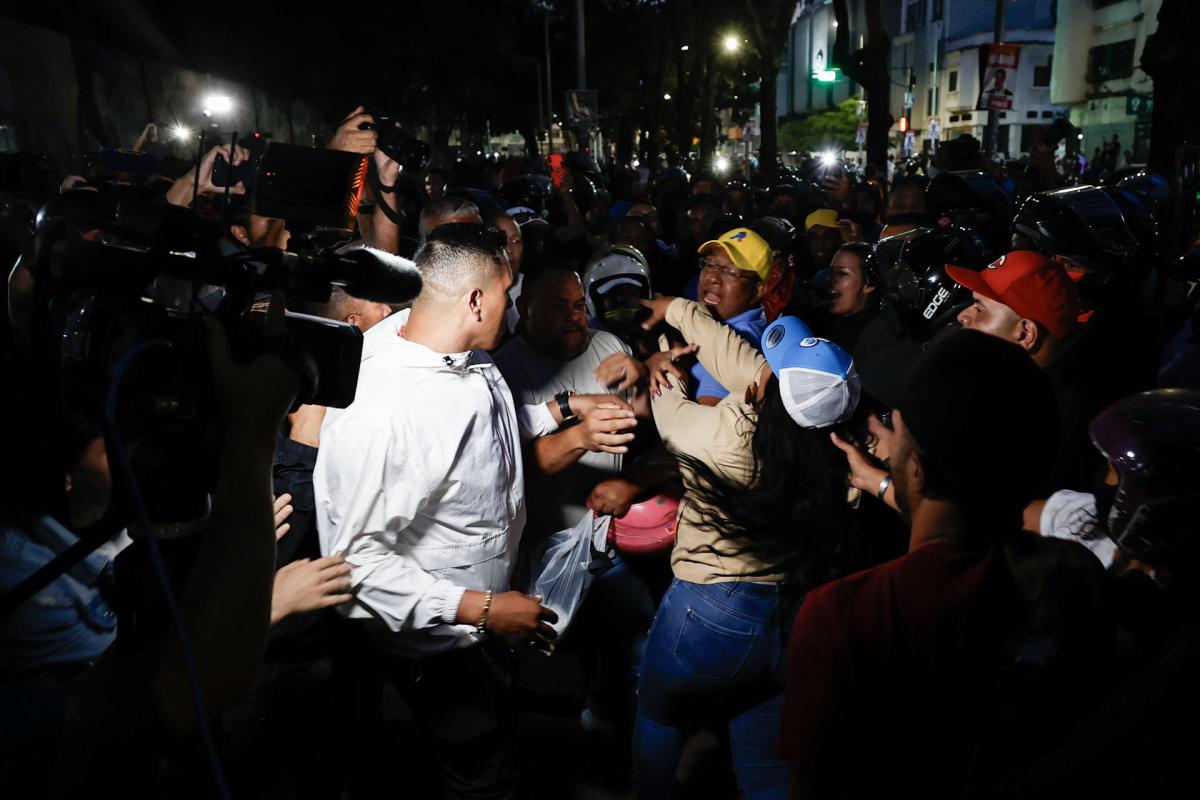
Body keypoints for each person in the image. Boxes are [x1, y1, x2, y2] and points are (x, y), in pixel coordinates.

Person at [783, 330, 1115, 798]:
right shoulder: (1072, 576)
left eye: (895, 429)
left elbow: (813, 784)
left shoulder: (843, 616)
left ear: (916, 468)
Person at [314, 222, 554, 798]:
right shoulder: (385, 410)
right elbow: (353, 567)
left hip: (485, 633)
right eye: (507, 293)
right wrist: (483, 608)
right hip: (443, 651)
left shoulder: (451, 343)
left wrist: (559, 411)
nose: (514, 307)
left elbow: (476, 438)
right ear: (475, 300)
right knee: (484, 781)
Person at [633, 296, 861, 799]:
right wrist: (679, 309)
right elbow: (742, 359)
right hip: (792, 616)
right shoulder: (834, 444)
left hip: (711, 614)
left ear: (771, 393)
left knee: (657, 718)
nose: (761, 369)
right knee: (764, 763)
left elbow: (671, 410)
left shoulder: (724, 438)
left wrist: (660, 366)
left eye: (771, 372)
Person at [691, 228, 772, 405]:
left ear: (758, 290)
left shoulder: (740, 338)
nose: (714, 277)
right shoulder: (710, 321)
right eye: (710, 265)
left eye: (731, 272)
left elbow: (706, 418)